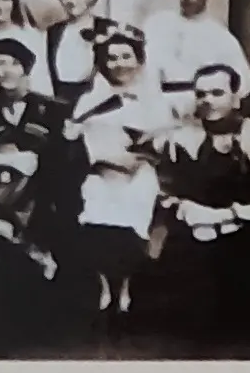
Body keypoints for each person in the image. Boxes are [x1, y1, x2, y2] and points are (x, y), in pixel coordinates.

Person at [153, 59, 250, 343]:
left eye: (217, 93)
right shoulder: (179, 139)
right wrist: (179, 206)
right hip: (197, 246)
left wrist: (223, 216)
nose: (207, 101)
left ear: (236, 96)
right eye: (201, 94)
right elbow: (162, 189)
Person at [0, 36, 77, 346]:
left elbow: (70, 163)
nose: (5, 70)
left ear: (27, 69)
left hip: (43, 201)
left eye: (13, 63)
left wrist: (37, 160)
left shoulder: (54, 110)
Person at [64, 24, 170, 324]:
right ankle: (102, 283)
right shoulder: (90, 100)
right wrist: (107, 162)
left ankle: (125, 283)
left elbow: (160, 143)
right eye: (111, 58)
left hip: (139, 170)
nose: (119, 64)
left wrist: (138, 158)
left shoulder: (154, 100)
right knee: (95, 202)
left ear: (138, 60)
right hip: (100, 168)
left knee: (135, 202)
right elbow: (83, 143)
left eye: (126, 56)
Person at [146, 0, 250, 118]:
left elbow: (245, 82)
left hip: (200, 110)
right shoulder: (156, 25)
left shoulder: (220, 36)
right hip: (158, 107)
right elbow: (144, 69)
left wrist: (212, 103)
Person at [45, 0, 106, 102]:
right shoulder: (54, 31)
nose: (71, 1)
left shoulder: (105, 28)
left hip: (95, 99)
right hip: (59, 99)